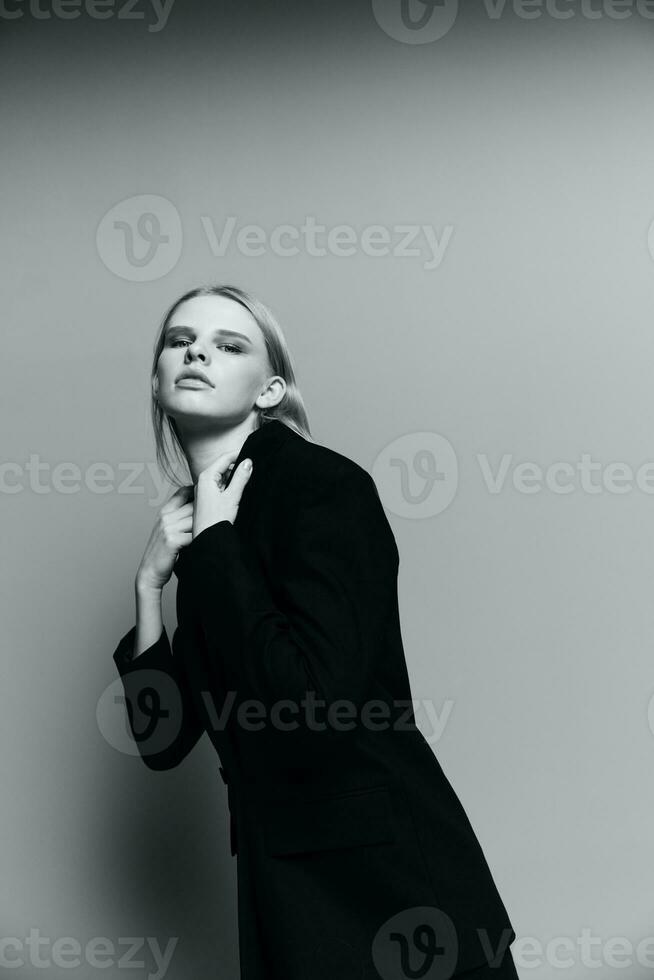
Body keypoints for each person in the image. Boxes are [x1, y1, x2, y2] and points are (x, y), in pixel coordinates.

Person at [112, 284, 519, 980]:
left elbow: (314, 704)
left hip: (390, 888)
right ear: (155, 379)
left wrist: (213, 547)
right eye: (179, 341)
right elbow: (163, 742)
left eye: (228, 343)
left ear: (269, 390)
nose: (198, 351)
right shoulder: (200, 527)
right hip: (285, 887)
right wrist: (150, 586)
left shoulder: (321, 488)